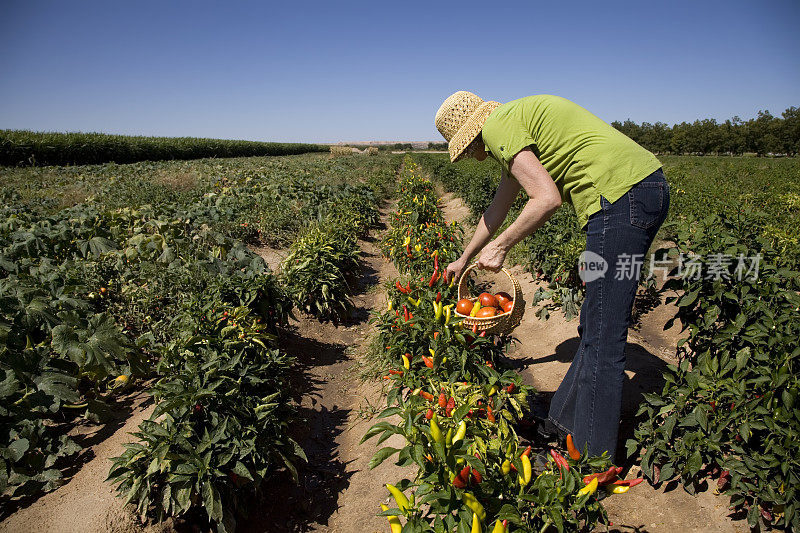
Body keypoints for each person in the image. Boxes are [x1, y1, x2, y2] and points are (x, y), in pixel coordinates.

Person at [435, 91, 669, 462]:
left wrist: (502, 246)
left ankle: (592, 462)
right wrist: (463, 258)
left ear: (471, 134)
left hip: (619, 198)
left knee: (605, 338)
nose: (471, 156)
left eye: (465, 149)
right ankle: (561, 422)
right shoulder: (513, 124)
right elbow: (498, 207)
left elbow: (546, 198)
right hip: (634, 191)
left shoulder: (499, 128)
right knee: (594, 325)